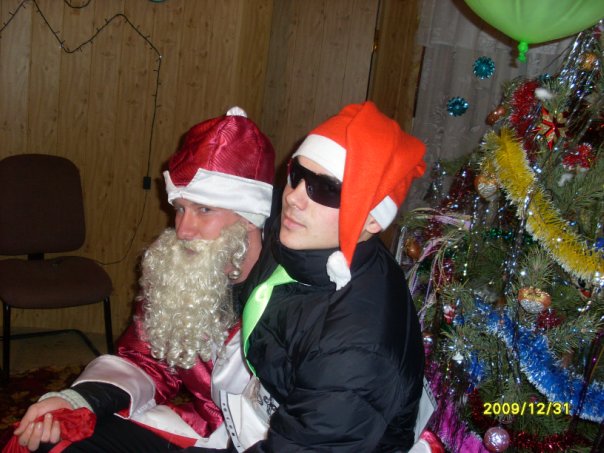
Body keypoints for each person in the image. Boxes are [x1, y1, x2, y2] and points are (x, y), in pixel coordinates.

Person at [11, 107, 275, 452]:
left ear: (250, 216)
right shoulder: (186, 274)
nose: (183, 229)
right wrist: (76, 400)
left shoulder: (297, 297)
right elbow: (147, 359)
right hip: (207, 430)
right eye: (180, 208)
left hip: (269, 441)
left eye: (204, 210)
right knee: (55, 437)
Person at [220, 101, 428, 452]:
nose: (294, 198)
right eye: (297, 174)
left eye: (327, 189)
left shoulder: (357, 349)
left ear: (372, 220)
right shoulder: (301, 240)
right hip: (258, 416)